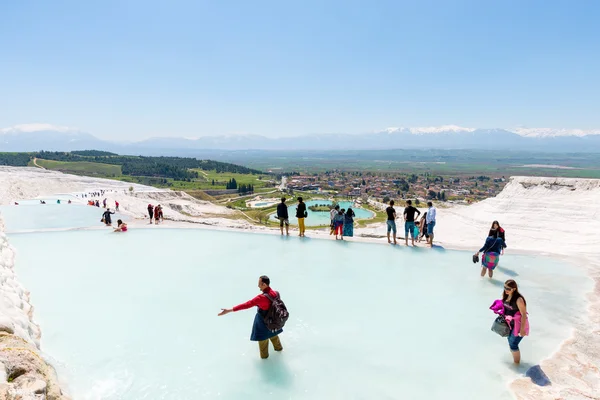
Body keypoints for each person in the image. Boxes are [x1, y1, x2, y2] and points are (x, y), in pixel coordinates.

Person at [218, 275, 284, 359]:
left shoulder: (261, 298)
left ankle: (265, 361)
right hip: (274, 324)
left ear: (264, 284)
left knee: (263, 345)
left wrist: (229, 310)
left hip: (263, 326)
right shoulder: (276, 293)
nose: (258, 285)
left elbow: (246, 305)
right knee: (275, 337)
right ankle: (280, 351)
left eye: (259, 283)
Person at [502, 280, 528, 364]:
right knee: (510, 342)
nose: (506, 290)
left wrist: (522, 329)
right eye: (505, 287)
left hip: (518, 325)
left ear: (514, 289)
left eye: (508, 288)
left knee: (513, 345)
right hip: (510, 324)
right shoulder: (506, 296)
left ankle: (517, 364)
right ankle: (515, 359)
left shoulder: (518, 299)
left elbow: (524, 314)